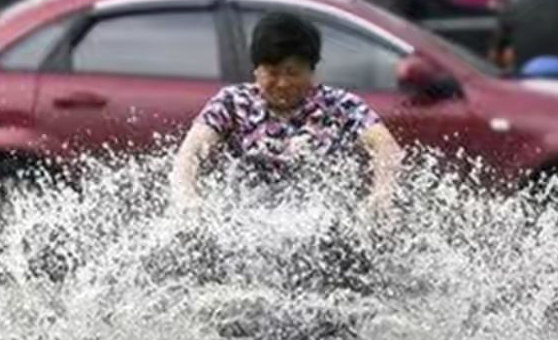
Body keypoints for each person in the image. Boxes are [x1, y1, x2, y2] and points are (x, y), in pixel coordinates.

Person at [170, 11, 402, 217]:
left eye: (292, 72)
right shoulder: (233, 102)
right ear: (256, 71)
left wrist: (382, 194)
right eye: (272, 72)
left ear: (312, 72)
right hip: (247, 224)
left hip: (320, 227)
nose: (282, 83)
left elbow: (384, 145)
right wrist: (187, 196)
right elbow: (191, 151)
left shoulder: (338, 105)